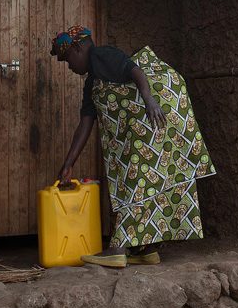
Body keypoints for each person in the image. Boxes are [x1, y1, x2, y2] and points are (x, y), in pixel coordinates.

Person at [51, 26, 216, 267]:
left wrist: (149, 100)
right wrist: (68, 163)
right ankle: (145, 248)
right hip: (144, 131)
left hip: (152, 120)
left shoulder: (101, 55)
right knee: (148, 181)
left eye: (68, 61)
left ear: (78, 48)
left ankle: (118, 248)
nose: (70, 67)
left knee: (136, 180)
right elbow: (85, 124)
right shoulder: (93, 83)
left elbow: (134, 70)